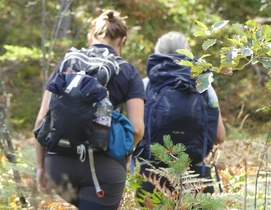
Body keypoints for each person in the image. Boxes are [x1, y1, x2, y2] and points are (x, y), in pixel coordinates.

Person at [33, 10, 145, 209]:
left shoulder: (66, 64)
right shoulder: (128, 71)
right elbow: (137, 129)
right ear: (123, 41)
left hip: (58, 166)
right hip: (104, 170)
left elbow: (42, 119)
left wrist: (41, 167)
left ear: (90, 38)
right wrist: (125, 154)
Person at [136, 31, 226, 200]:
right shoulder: (204, 85)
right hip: (196, 177)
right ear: (187, 52)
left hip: (152, 176)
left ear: (158, 53)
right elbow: (220, 135)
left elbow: (136, 129)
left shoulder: (145, 85)